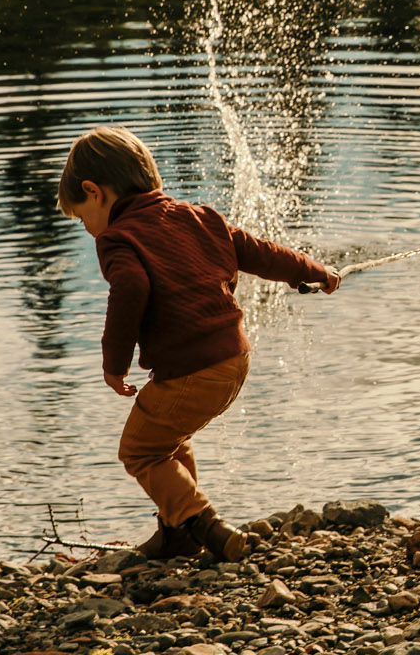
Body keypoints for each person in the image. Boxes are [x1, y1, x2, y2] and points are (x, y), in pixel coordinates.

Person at [59, 126, 339, 561]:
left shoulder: (118, 237)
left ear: (94, 192)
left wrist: (114, 363)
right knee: (167, 434)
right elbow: (258, 251)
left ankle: (203, 523)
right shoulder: (198, 215)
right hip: (235, 357)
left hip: (192, 368)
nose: (89, 230)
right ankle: (177, 534)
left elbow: (130, 287)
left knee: (140, 450)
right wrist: (312, 269)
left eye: (81, 218)